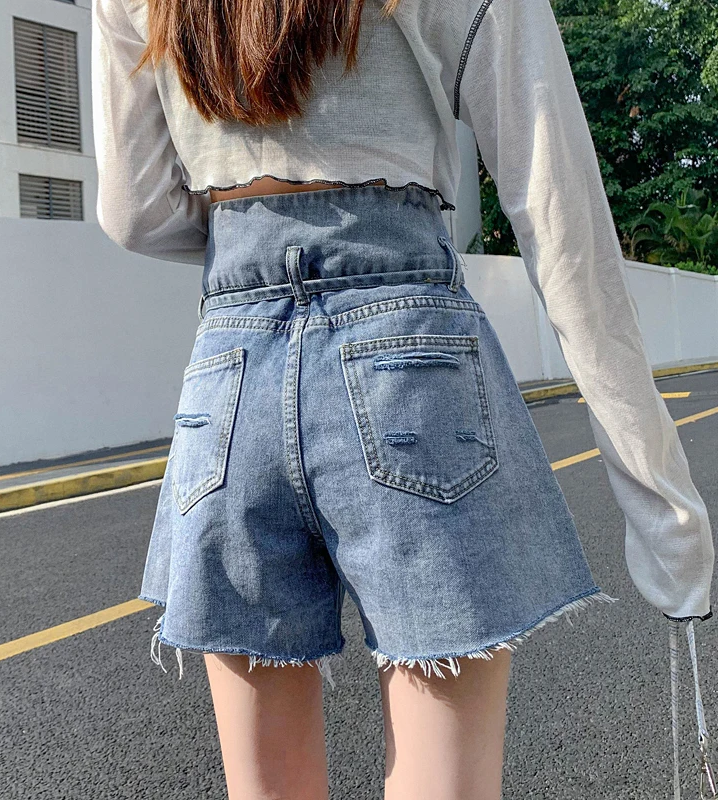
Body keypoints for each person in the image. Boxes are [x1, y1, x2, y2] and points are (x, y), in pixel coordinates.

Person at [92, 0, 716, 797]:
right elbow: (558, 217)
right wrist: (662, 504)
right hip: (409, 348)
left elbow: (135, 210)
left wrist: (252, 227)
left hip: (231, 369)